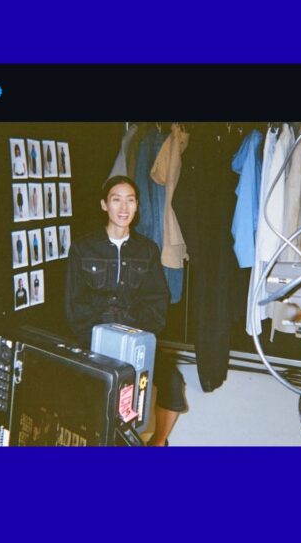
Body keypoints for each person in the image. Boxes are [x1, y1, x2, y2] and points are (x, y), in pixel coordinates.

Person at [65, 176, 185, 446]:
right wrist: (98, 341)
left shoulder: (147, 250)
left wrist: (136, 339)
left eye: (130, 200)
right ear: (104, 205)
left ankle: (157, 443)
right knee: (93, 391)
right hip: (93, 338)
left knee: (173, 382)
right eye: (116, 199)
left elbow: (157, 301)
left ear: (137, 205)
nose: (123, 208)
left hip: (136, 336)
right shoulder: (82, 248)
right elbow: (75, 305)